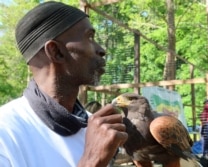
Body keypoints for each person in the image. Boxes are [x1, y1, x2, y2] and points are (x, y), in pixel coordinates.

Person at [0, 1, 128, 167]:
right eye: (89, 37)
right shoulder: (6, 131)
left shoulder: (94, 126)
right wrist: (92, 161)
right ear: (56, 52)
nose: (101, 49)